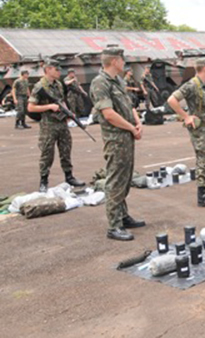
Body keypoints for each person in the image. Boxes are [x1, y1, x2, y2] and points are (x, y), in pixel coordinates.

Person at [90, 47, 145, 241]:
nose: (124, 63)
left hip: (127, 136)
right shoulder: (100, 83)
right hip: (115, 139)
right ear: (114, 61)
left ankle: (123, 215)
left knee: (125, 178)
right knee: (115, 181)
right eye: (122, 59)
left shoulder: (119, 81)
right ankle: (114, 226)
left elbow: (129, 105)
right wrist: (131, 127)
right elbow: (109, 114)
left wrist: (137, 123)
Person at [167, 58, 205, 207]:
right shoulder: (191, 85)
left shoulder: (204, 85)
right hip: (199, 130)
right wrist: (186, 116)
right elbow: (172, 100)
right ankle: (202, 196)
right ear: (204, 68)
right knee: (203, 160)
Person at [27, 58, 85, 193]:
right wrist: (49, 106)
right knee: (47, 154)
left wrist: (69, 113)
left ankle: (69, 177)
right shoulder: (40, 86)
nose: (59, 72)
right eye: (56, 69)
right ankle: (43, 181)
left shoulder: (58, 84)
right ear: (48, 70)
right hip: (48, 125)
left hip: (61, 123)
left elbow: (61, 101)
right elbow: (30, 107)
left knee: (66, 151)